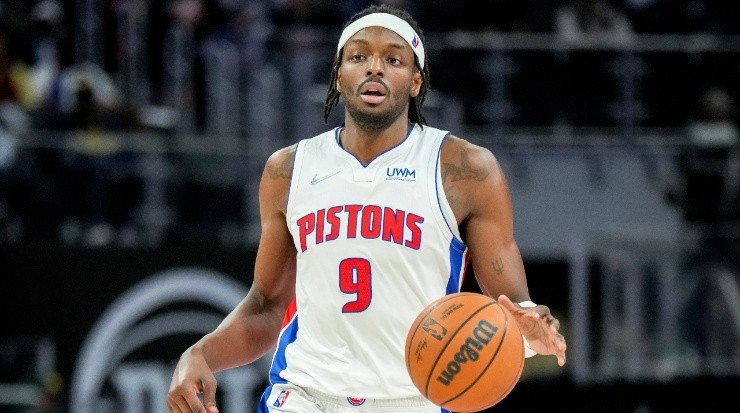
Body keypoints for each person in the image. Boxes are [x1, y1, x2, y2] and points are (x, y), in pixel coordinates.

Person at [167, 4, 567, 413]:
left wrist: (529, 328)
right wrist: (199, 354)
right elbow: (266, 306)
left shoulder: (465, 170)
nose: (374, 68)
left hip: (416, 398)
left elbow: (514, 304)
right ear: (339, 76)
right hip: (306, 396)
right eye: (358, 56)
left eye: (393, 59)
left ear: (415, 81)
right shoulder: (288, 170)